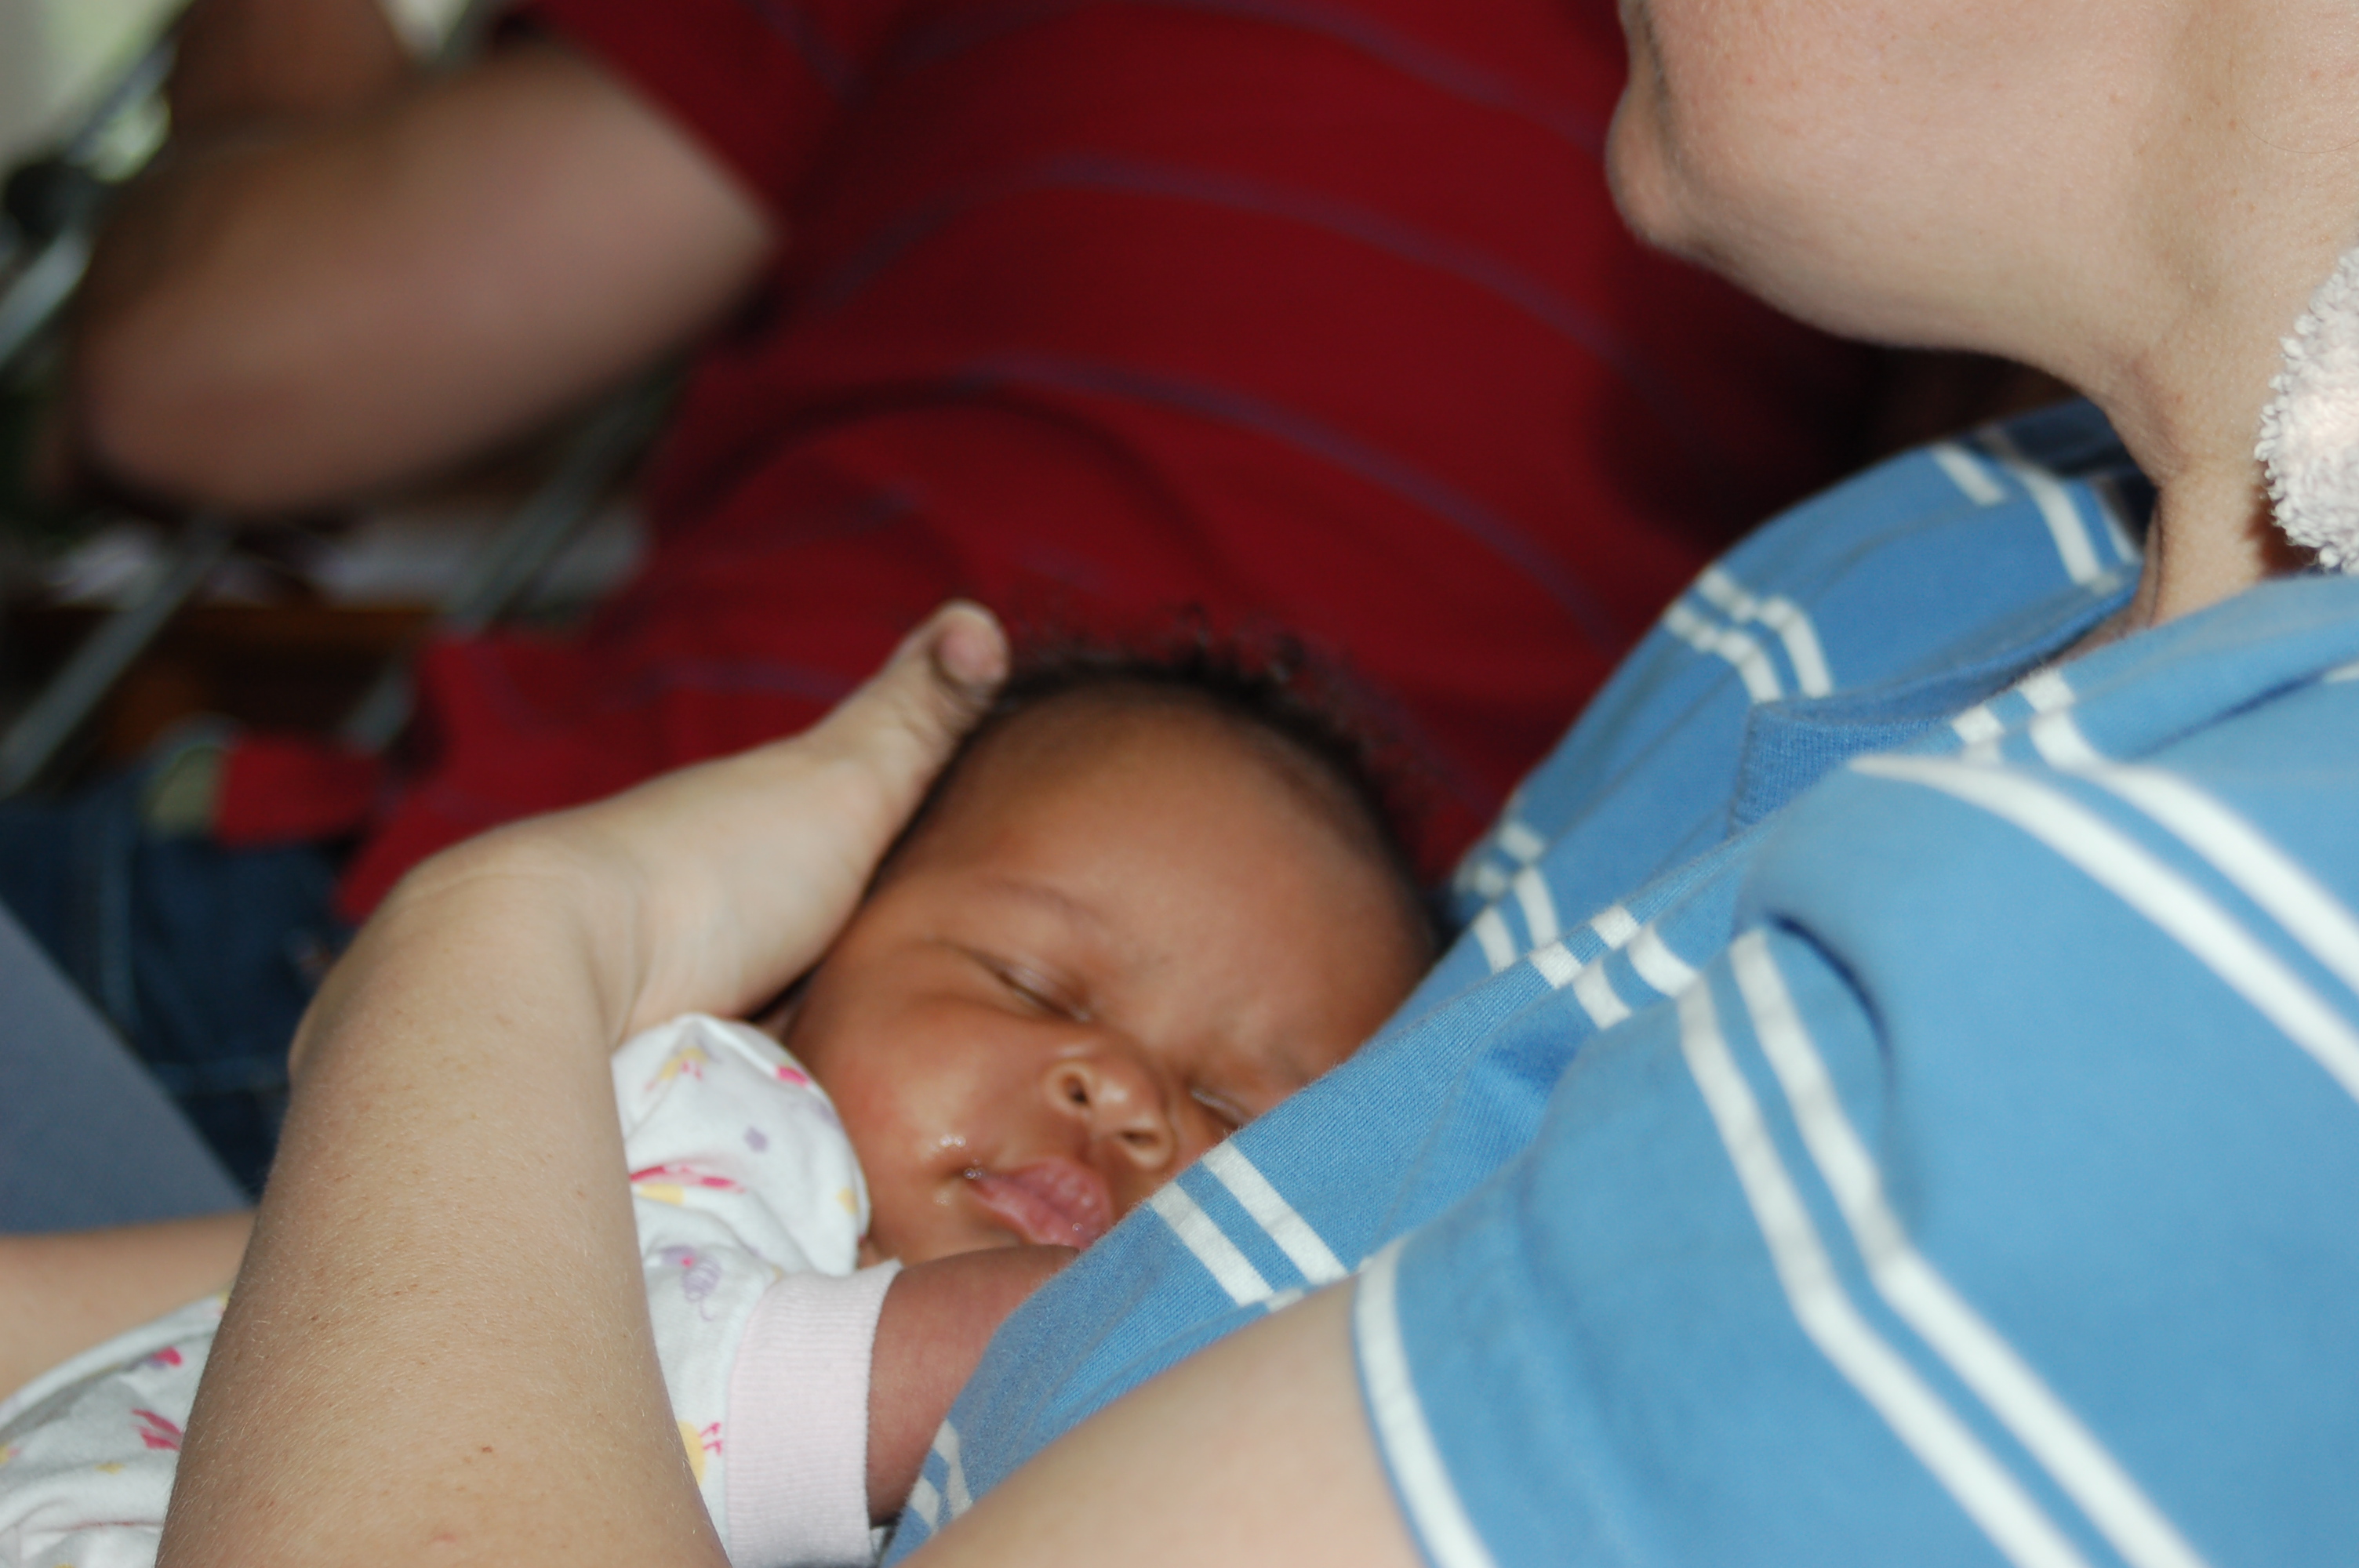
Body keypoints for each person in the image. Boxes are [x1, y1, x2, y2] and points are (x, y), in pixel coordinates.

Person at [118, 0, 2359, 1563]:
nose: (1128, 1093)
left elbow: (212, 370)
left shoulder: (2205, 999)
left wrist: (497, 951)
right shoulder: (1916, 563)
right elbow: (602, 1249)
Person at [6, 0, 1885, 1195]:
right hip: (1112, 1258)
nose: (1111, 1086)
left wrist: (273, 42)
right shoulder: (1880, 180)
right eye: (1036, 986)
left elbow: (214, 365)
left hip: (452, 963)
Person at [0, 629, 1431, 1567]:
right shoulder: (724, 1117)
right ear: (798, 977)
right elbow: (685, 1363)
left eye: (1233, 1110)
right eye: (1032, 986)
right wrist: (1086, 1323)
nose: (1124, 1094)